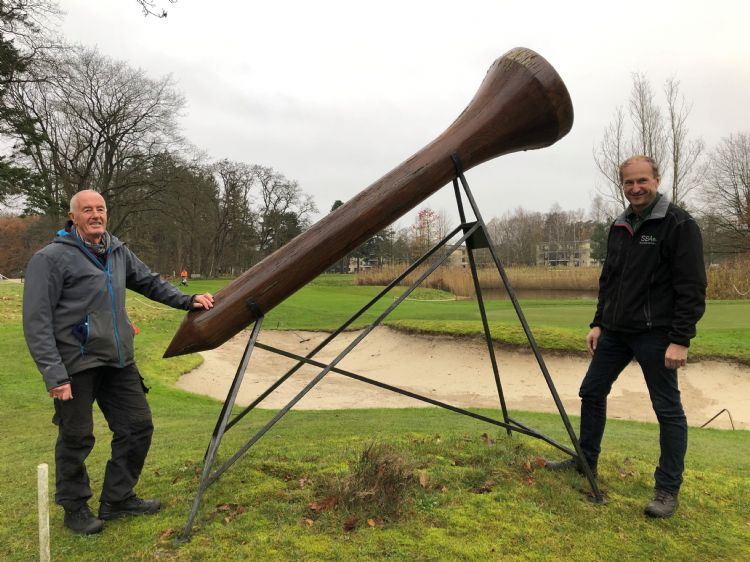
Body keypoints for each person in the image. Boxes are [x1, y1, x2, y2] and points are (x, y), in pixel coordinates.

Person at [23, 190, 215, 535]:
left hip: (118, 359)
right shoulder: (50, 258)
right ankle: (75, 507)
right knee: (77, 437)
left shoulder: (116, 250)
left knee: (137, 426)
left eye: (100, 209)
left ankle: (117, 498)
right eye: (87, 210)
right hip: (75, 363)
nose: (95, 215)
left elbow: (149, 282)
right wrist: (54, 374)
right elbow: (36, 321)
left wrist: (188, 301)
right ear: (73, 216)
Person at [545, 156, 706, 518]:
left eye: (642, 181)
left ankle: (666, 489)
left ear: (656, 180)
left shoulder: (679, 224)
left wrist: (681, 339)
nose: (636, 188)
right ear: (623, 184)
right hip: (616, 332)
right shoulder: (619, 225)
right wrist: (598, 322)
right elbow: (610, 280)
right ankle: (585, 461)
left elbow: (692, 287)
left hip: (657, 335)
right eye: (629, 182)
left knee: (667, 410)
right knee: (591, 390)